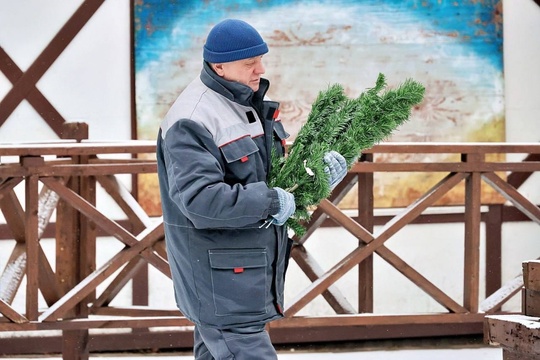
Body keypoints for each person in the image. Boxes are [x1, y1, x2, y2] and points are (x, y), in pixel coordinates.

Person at [156, 19, 347, 359]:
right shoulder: (193, 118)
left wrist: (316, 177)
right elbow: (200, 201)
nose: (260, 69)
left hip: (241, 274)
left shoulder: (247, 104)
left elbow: (272, 176)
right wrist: (271, 202)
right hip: (221, 279)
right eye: (250, 63)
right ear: (220, 66)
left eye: (261, 59)